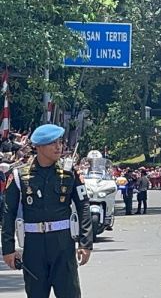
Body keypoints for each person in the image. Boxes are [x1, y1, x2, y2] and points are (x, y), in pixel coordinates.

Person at [1, 124, 92, 298]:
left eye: (59, 142)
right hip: (34, 245)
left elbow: (83, 206)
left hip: (62, 244)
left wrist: (85, 243)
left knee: (69, 294)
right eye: (52, 143)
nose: (58, 147)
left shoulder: (69, 173)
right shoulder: (19, 175)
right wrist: (8, 249)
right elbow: (8, 212)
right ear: (39, 146)